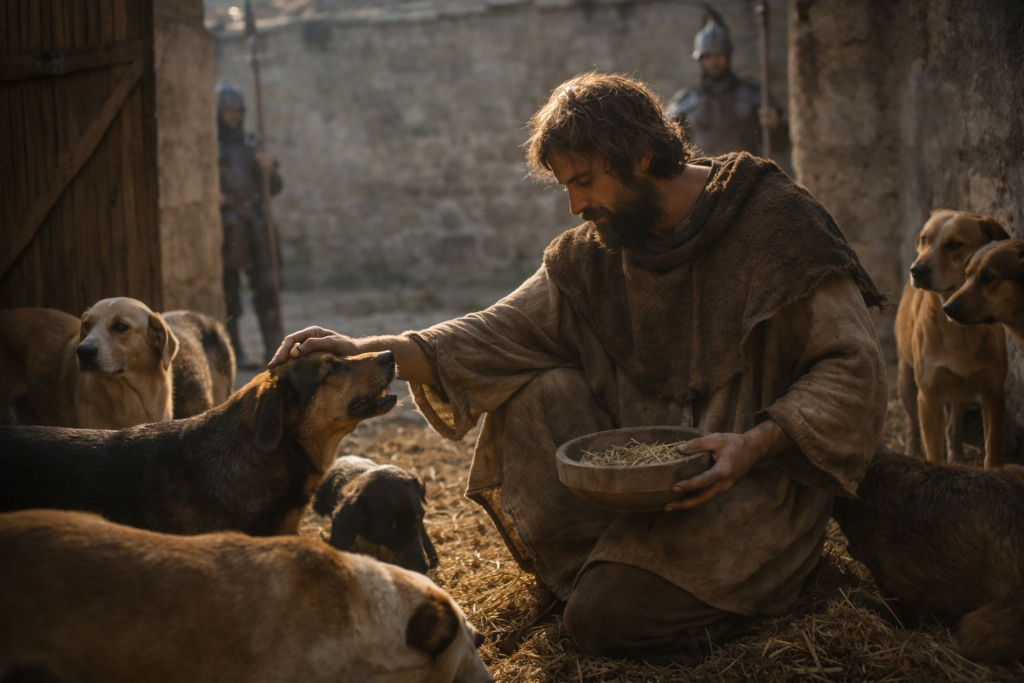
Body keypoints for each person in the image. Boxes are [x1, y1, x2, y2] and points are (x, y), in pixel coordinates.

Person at [270, 72, 887, 665]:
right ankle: (622, 572)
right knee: (533, 391)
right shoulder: (596, 254)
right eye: (566, 185)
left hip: (750, 489)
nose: (574, 205)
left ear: (642, 155)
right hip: (645, 491)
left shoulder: (776, 222)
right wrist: (364, 351)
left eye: (585, 181)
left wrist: (754, 445)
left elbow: (851, 369)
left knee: (600, 622)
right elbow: (492, 334)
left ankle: (737, 594)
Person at [216, 80, 284, 368]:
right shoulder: (210, 148)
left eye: (236, 111)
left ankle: (273, 348)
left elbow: (275, 188)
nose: (233, 116)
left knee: (267, 286)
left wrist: (270, 169)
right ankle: (235, 353)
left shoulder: (252, 144)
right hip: (230, 224)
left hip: (257, 222)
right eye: (227, 111)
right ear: (218, 113)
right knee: (230, 291)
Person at [666, 11, 790, 157]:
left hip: (748, 176)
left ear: (728, 55)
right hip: (703, 177)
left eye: (719, 54)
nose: (714, 62)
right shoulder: (685, 101)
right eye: (708, 56)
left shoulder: (754, 94)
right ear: (700, 59)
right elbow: (669, 150)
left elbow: (781, 145)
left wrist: (775, 127)